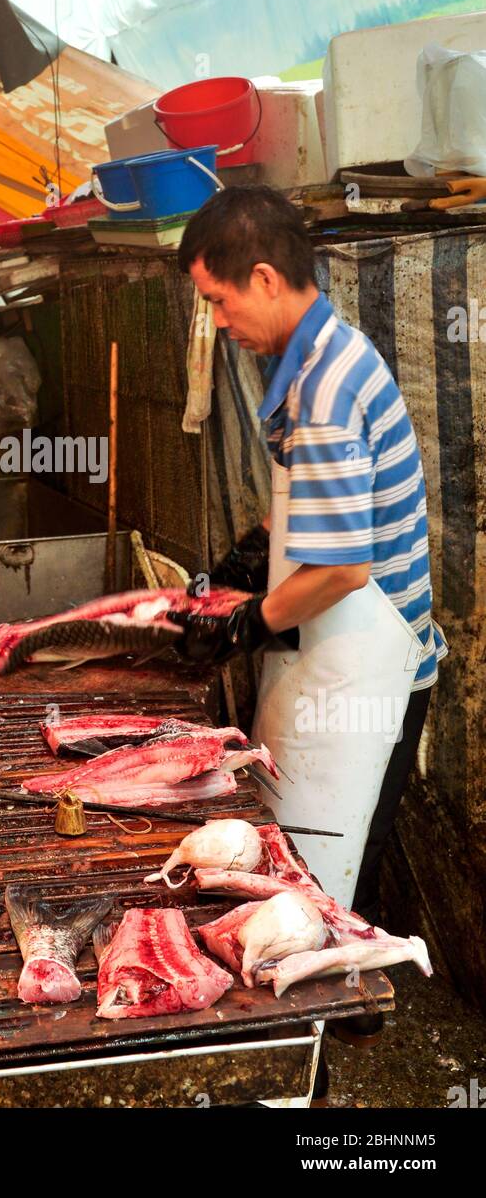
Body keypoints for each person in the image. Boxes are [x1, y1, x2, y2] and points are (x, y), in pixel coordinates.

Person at [172, 185, 445, 951]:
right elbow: (314, 504)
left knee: (319, 880)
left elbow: (340, 571)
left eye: (219, 302)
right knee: (302, 865)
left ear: (263, 278)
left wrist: (242, 622)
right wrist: (247, 558)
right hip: (335, 658)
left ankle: (331, 1016)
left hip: (368, 668)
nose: (219, 324)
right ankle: (338, 992)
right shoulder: (314, 361)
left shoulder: (323, 387)